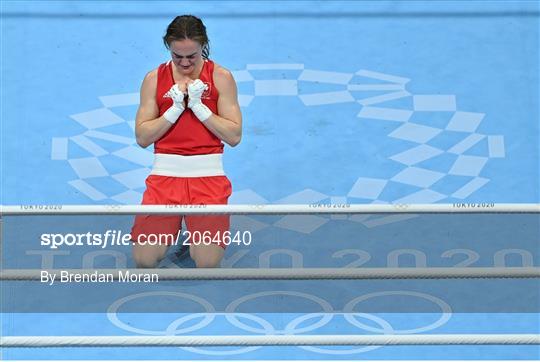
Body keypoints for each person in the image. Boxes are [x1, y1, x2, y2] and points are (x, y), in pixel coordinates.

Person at [130, 15, 242, 268]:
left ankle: (193, 233)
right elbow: (143, 137)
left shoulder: (221, 77)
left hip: (209, 180)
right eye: (177, 56)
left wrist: (200, 107)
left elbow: (234, 136)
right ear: (168, 47)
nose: (184, 63)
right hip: (164, 180)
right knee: (144, 260)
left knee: (206, 264)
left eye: (191, 56)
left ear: (203, 45)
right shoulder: (154, 79)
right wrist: (175, 109)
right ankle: (178, 227)